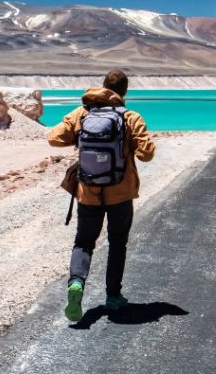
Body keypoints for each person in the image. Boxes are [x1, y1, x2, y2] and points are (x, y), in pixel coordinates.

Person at [48, 69, 156, 321]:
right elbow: (147, 154)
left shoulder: (82, 113)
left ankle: (76, 284)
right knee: (118, 244)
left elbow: (54, 138)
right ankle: (113, 297)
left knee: (84, 242)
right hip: (121, 193)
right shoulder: (130, 117)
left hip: (88, 193)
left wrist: (79, 136)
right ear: (125, 91)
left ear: (103, 86)